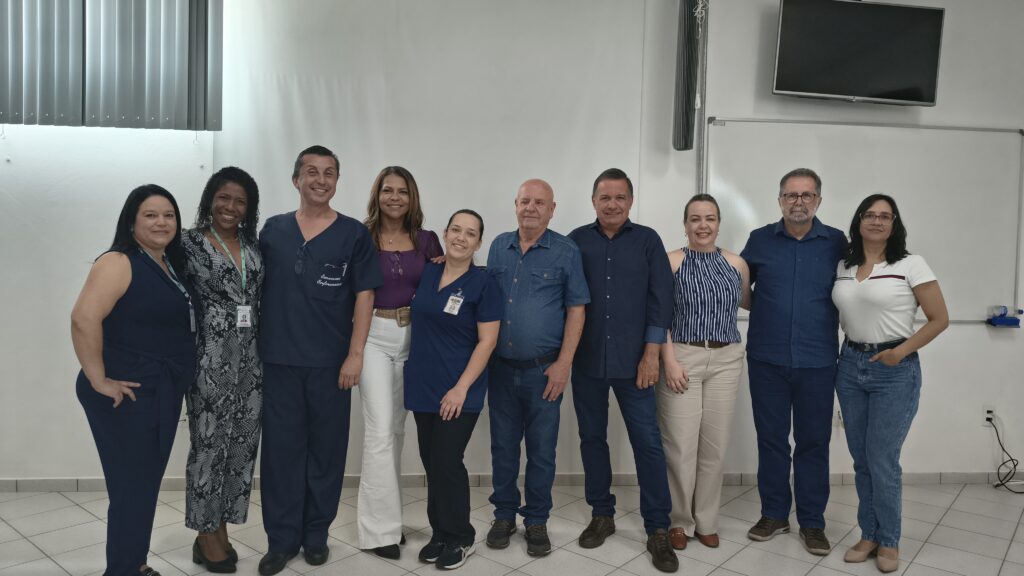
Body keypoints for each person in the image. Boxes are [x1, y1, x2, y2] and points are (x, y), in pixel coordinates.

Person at [256, 145, 382, 575]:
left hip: (331, 364)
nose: (320, 180)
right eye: (311, 171)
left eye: (329, 173)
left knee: (326, 453)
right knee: (281, 454)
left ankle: (315, 536)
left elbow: (365, 295)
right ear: (296, 179)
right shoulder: (273, 231)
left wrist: (355, 355)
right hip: (279, 362)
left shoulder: (353, 234)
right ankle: (281, 540)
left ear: (337, 181)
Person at [71, 185, 197, 576]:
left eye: (169, 215)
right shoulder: (118, 262)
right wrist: (99, 380)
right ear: (132, 221)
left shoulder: (166, 263)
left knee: (141, 485)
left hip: (157, 390)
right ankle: (123, 570)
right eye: (151, 215)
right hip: (126, 394)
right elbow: (83, 319)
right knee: (133, 487)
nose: (162, 222)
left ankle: (134, 563)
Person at [567, 168, 678, 573]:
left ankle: (657, 527)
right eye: (605, 197)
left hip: (636, 363)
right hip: (587, 360)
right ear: (593, 201)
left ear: (631, 201)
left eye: (619, 197)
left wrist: (652, 353)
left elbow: (662, 299)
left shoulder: (648, 240)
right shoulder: (575, 241)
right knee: (592, 439)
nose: (612, 204)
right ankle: (602, 514)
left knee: (647, 442)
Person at [833, 194, 948, 573]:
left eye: (885, 216)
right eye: (870, 214)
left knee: (882, 459)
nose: (877, 221)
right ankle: (869, 534)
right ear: (859, 220)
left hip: (894, 370)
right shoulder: (844, 265)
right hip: (850, 366)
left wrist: (899, 352)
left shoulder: (910, 265)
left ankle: (889, 541)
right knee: (862, 460)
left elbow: (939, 318)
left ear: (894, 224)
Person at [740, 168, 847, 556]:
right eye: (791, 195)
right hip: (766, 358)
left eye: (806, 195)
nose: (798, 201)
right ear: (780, 199)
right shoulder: (759, 239)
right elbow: (742, 288)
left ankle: (813, 522)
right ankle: (774, 514)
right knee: (771, 440)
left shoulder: (837, 242)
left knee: (813, 442)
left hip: (818, 360)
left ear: (818, 200)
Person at [484, 179, 589, 557]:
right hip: (500, 369)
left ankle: (537, 520)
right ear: (515, 204)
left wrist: (564, 364)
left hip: (544, 372)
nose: (531, 208)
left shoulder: (565, 251)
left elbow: (577, 309)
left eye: (539, 203)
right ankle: (504, 515)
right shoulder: (498, 246)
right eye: (525, 201)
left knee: (542, 451)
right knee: (503, 447)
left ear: (552, 209)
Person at [405, 209, 502, 570]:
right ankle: (440, 532)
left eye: (470, 233)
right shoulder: (429, 271)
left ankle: (461, 536)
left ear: (479, 242)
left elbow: (487, 342)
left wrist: (461, 388)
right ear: (445, 234)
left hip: (461, 388)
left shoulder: (484, 284)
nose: (461, 237)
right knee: (432, 462)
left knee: (447, 461)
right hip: (423, 383)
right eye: (456, 230)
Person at [181, 167, 264, 573]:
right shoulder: (188, 243)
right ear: (210, 200)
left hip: (251, 358)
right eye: (224, 198)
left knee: (241, 444)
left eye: (240, 201)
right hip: (209, 357)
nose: (231, 207)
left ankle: (222, 525)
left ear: (249, 208)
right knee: (208, 443)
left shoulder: (252, 245)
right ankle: (204, 533)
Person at [357, 166, 443, 559]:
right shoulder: (362, 237)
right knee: (378, 433)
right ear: (377, 195)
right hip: (374, 336)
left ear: (412, 198)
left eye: (403, 192)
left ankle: (390, 520)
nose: (395, 198)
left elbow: (442, 285)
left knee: (396, 431)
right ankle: (379, 533)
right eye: (388, 190)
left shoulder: (427, 239)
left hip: (416, 339)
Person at [657, 194, 750, 552]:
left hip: (726, 360)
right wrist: (669, 360)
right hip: (683, 356)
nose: (703, 225)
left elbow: (748, 302)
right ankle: (680, 521)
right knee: (680, 446)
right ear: (685, 224)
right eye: (695, 219)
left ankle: (707, 520)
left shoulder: (736, 264)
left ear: (719, 223)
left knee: (714, 446)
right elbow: (659, 315)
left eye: (709, 218)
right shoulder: (671, 262)